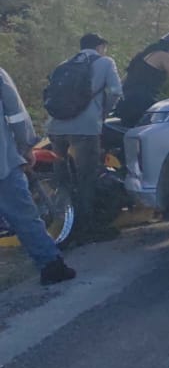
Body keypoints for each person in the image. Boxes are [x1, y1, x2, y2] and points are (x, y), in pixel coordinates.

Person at [0, 65, 76, 286]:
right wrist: (26, 146)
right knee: (24, 216)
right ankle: (51, 266)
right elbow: (16, 115)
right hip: (3, 163)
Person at [45, 33, 123, 245]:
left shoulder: (64, 64)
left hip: (56, 127)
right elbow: (115, 91)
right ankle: (87, 229)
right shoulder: (105, 62)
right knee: (87, 176)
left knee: (62, 179)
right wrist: (102, 114)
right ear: (100, 46)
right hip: (85, 128)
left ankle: (63, 225)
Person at [112, 32, 169, 125]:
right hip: (141, 103)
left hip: (127, 102)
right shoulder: (164, 56)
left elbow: (123, 80)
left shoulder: (143, 57)